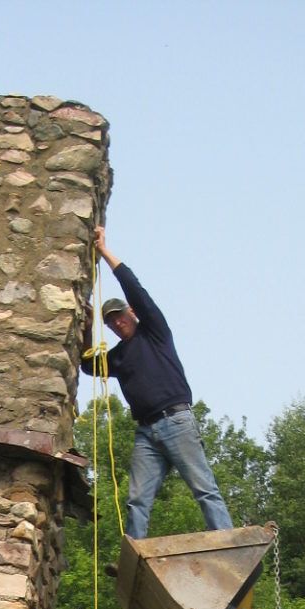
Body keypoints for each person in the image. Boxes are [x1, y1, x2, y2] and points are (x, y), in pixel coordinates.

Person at [82, 226, 233, 542]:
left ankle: (226, 541)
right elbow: (87, 365)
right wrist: (86, 327)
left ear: (131, 313)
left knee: (203, 487)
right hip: (146, 433)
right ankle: (133, 552)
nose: (117, 323)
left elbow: (134, 288)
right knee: (137, 499)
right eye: (110, 321)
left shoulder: (154, 332)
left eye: (120, 315)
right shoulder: (118, 357)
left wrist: (105, 251)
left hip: (176, 421)